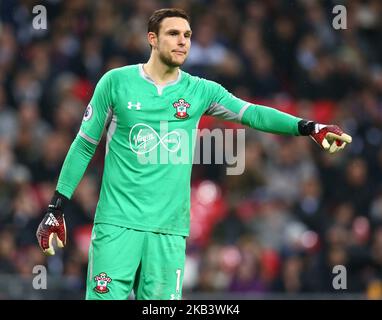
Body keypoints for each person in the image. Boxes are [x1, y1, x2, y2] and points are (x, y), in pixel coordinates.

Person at [36, 8, 352, 300]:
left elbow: (252, 113)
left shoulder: (201, 91)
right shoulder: (115, 83)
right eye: (174, 33)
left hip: (169, 232)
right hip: (118, 225)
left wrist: (308, 126)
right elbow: (84, 144)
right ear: (152, 39)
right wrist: (56, 206)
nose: (183, 41)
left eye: (187, 35)